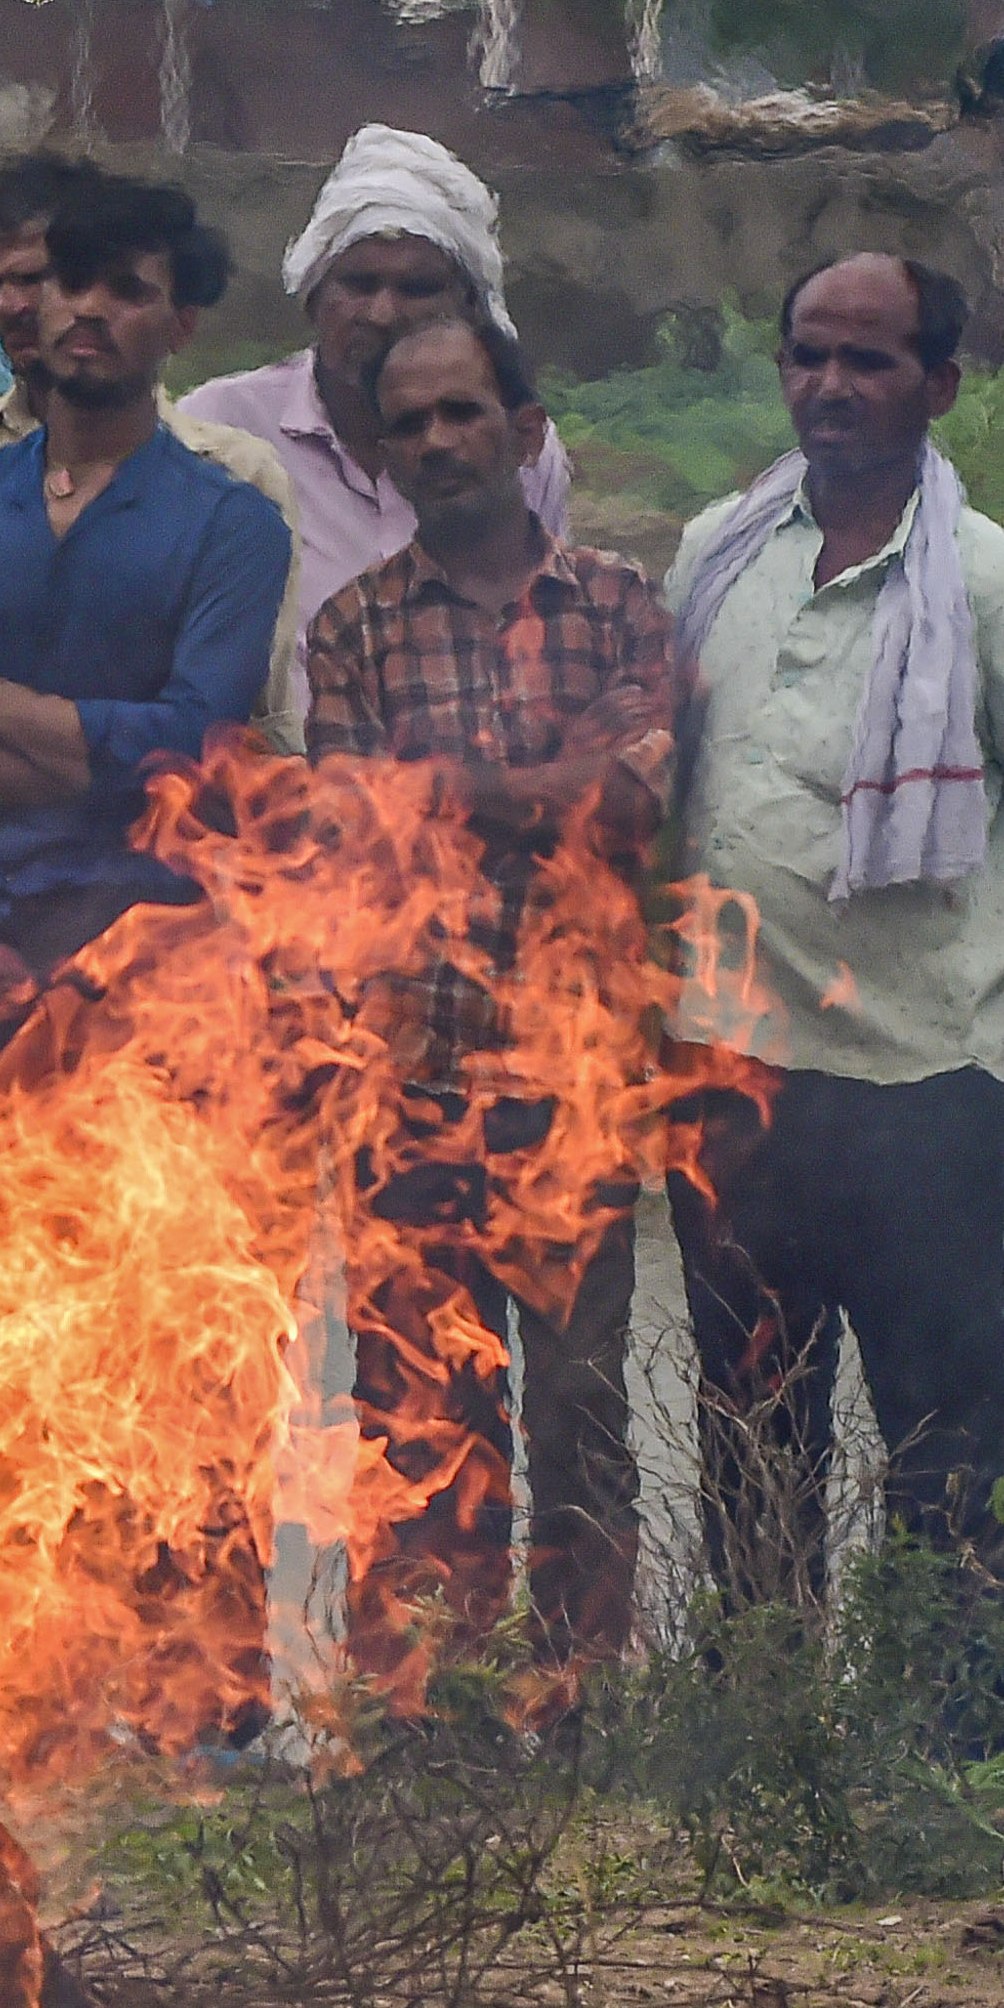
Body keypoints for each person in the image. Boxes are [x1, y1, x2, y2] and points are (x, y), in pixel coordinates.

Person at [663, 254, 1004, 1592]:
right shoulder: (719, 554)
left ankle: (957, 1744)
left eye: (868, 361)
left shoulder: (1000, 591)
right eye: (809, 355)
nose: (831, 386)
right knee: (748, 1426)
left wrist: (976, 970)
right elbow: (684, 784)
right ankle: (757, 1735)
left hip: (918, 1084)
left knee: (944, 1432)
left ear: (940, 385)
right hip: (735, 1071)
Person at [301, 315, 676, 1667]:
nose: (439, 443)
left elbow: (635, 803)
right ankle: (430, 1724)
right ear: (384, 452)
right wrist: (544, 791)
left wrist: (457, 796)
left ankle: (574, 1709)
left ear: (526, 431)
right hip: (409, 1092)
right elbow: (361, 833)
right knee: (420, 1427)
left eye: (465, 414)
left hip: (571, 1094)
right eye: (410, 424)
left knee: (580, 1420)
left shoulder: (621, 603)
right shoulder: (351, 629)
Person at [0, 158, 302, 976]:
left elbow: (198, 742)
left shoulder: (235, 511)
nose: (87, 308)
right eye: (71, 283)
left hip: (150, 966)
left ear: (182, 325)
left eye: (126, 290)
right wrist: (114, 764)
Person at [177, 124, 578, 711]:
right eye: (359, 284)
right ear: (315, 294)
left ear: (469, 308)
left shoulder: (519, 454)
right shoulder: (219, 430)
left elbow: (546, 640)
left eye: (418, 288)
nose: (384, 313)